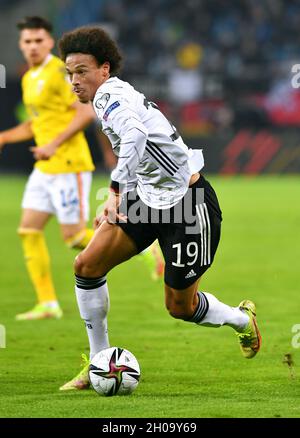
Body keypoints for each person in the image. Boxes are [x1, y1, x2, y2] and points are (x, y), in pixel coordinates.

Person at [58, 26, 261, 390]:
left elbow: (135, 136)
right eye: (69, 73)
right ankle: (97, 363)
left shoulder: (108, 96)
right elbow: (141, 150)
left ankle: (241, 320)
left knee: (180, 307)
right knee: (86, 266)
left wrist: (115, 193)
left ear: (104, 69)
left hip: (188, 206)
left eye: (81, 71)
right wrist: (128, 193)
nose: (74, 80)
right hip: (148, 199)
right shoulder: (112, 96)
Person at [0, 16, 96, 320]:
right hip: (45, 168)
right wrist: (4, 137)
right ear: (21, 44)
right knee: (28, 229)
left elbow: (86, 111)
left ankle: (138, 243)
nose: (32, 46)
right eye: (27, 41)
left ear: (49, 41)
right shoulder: (30, 78)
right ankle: (48, 304)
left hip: (69, 163)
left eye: (38, 40)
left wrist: (54, 143)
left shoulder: (59, 72)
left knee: (75, 237)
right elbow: (35, 123)